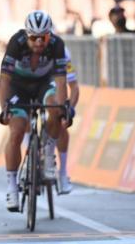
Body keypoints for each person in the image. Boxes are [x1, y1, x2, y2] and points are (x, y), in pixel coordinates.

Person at [0, 10, 68, 212]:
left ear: (50, 35)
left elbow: (62, 82)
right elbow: (4, 80)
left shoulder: (57, 45)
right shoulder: (16, 42)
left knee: (55, 108)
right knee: (17, 130)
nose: (39, 42)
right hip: (18, 87)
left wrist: (62, 108)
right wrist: (5, 107)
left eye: (43, 37)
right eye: (34, 38)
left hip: (43, 85)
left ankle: (48, 152)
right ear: (26, 36)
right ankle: (12, 186)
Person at [56, 46, 79, 195]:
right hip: (33, 86)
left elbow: (74, 86)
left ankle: (63, 171)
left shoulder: (62, 52)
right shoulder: (27, 49)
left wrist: (69, 110)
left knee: (61, 123)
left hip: (55, 89)